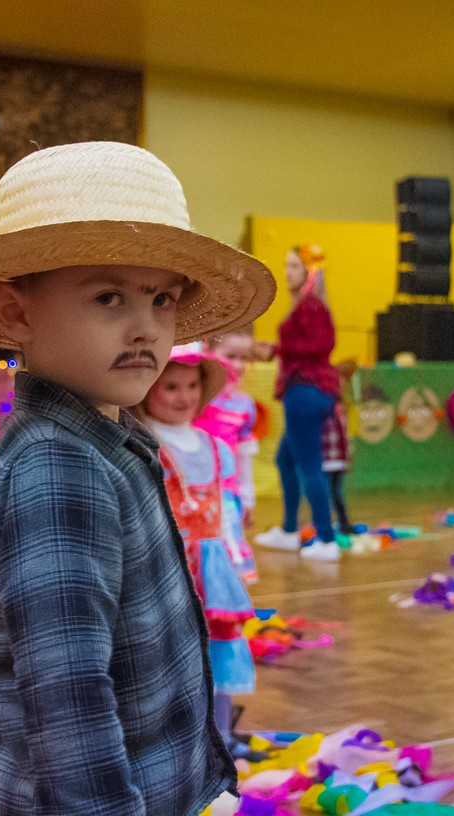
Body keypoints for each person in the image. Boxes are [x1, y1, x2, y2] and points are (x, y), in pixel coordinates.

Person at [0, 141, 275, 815]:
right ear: (16, 312)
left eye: (162, 299)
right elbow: (71, 704)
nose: (146, 328)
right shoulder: (56, 465)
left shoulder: (113, 436)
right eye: (109, 297)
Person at [138, 346, 259, 758]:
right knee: (166, 655)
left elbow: (225, 510)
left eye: (192, 386)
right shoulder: (144, 444)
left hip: (210, 568)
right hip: (163, 565)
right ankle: (170, 738)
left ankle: (220, 735)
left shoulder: (213, 446)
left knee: (217, 651)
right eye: (170, 386)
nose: (183, 395)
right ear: (147, 390)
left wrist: (235, 557)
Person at [255, 245, 340, 560]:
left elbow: (322, 345)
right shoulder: (306, 305)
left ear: (308, 271)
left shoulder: (311, 306)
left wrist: (282, 349)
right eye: (286, 265)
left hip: (305, 392)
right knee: (286, 460)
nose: (286, 271)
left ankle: (327, 540)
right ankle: (290, 530)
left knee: (310, 466)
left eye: (293, 266)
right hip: (306, 389)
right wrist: (277, 350)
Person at [197, 329, 260, 583]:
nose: (238, 365)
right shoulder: (194, 398)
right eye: (231, 355)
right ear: (207, 353)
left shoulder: (244, 406)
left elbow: (244, 458)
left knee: (227, 571)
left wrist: (246, 498)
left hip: (226, 497)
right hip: (194, 494)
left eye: (245, 358)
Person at [322, 400, 353, 536]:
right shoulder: (327, 411)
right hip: (328, 461)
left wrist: (346, 459)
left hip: (334, 461)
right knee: (331, 494)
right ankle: (335, 523)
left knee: (334, 494)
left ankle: (341, 523)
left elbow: (344, 438)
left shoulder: (336, 412)